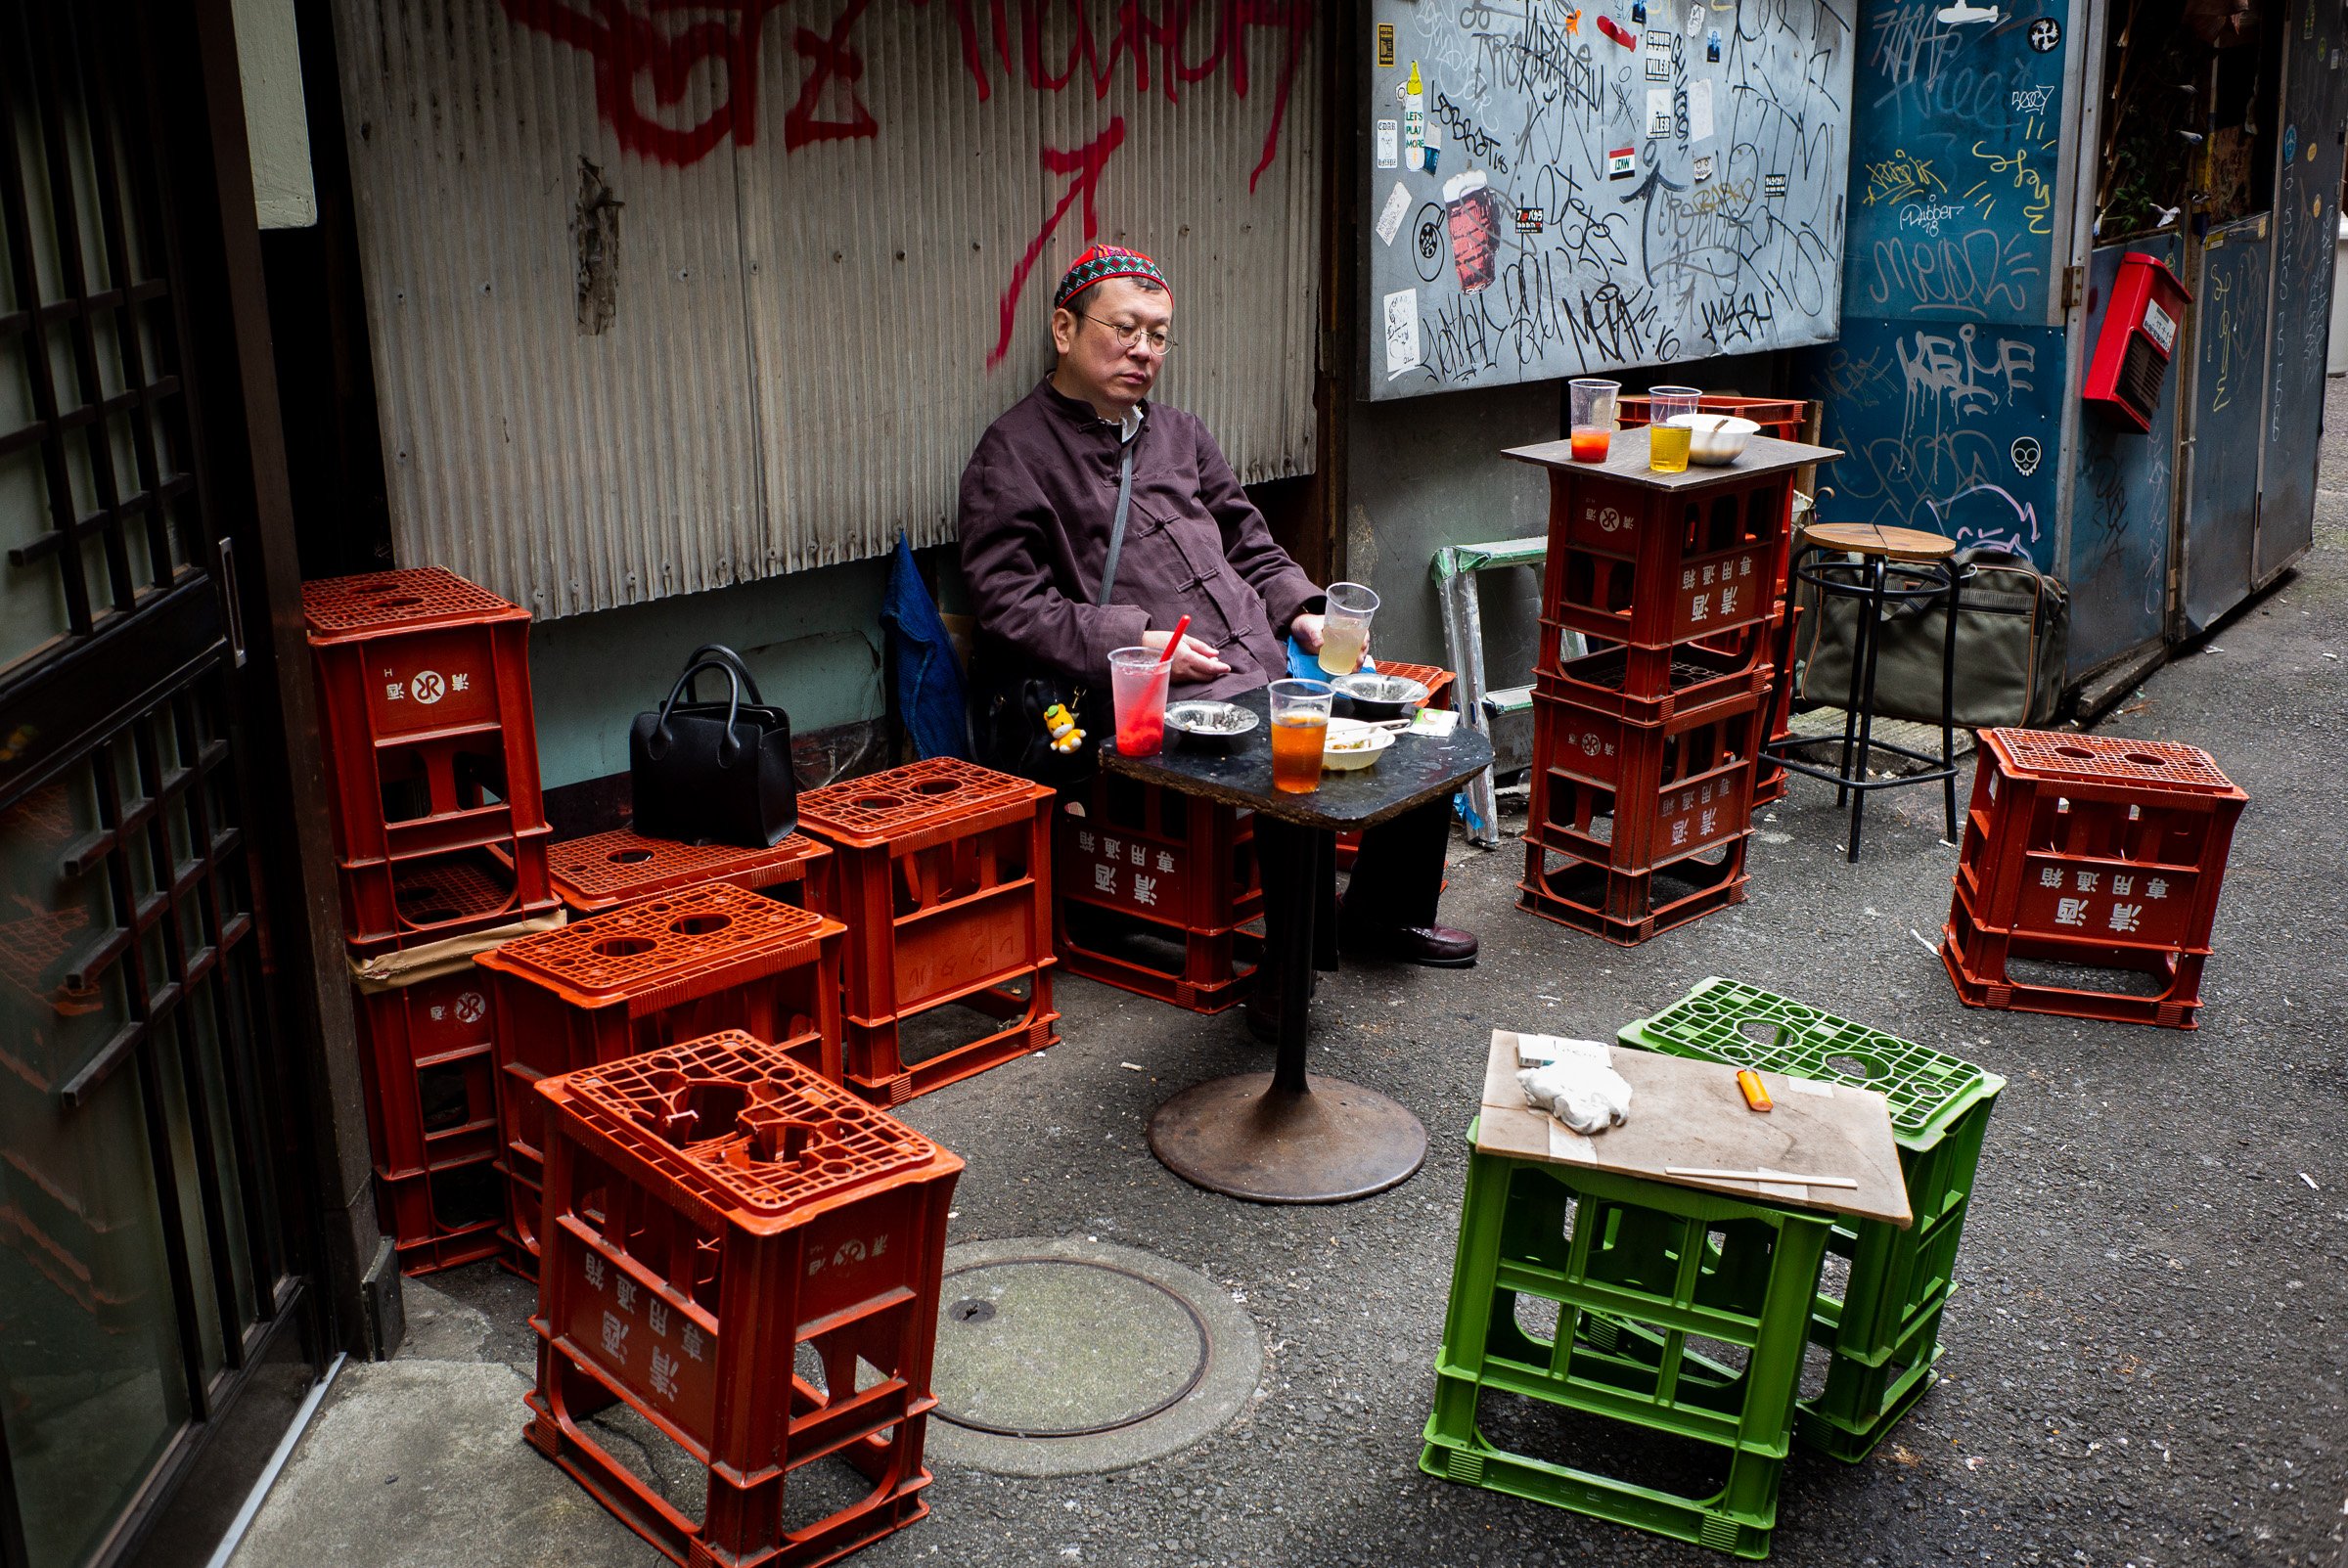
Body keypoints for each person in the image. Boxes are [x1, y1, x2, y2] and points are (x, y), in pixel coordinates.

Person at [957, 244, 1477, 1031]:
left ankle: (1384, 911)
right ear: (1064, 328)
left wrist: (1300, 606)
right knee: (1288, 755)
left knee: (1409, 714)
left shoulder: (1180, 433)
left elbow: (1250, 540)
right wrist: (1138, 636)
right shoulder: (1015, 452)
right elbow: (1007, 603)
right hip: (1145, 690)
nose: (1144, 351)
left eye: (1159, 336)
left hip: (1257, 656)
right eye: (1125, 330)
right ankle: (1289, 966)